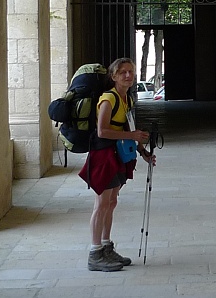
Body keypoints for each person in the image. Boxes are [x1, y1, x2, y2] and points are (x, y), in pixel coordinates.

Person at [79, 58, 154, 272]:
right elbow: (102, 131)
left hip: (118, 154)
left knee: (111, 202)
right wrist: (132, 135)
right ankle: (95, 253)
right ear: (113, 76)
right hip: (103, 155)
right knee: (101, 203)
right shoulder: (108, 99)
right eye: (123, 72)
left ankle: (106, 246)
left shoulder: (126, 99)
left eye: (130, 72)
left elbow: (127, 127)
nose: (128, 76)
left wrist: (143, 152)